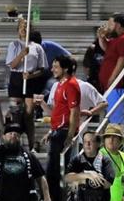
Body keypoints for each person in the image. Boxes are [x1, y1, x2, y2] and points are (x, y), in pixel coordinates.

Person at [0, 122, 51, 201]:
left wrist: (47, 197)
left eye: (17, 134)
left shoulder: (29, 156)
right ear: (3, 137)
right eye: (10, 133)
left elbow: (41, 177)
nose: (14, 135)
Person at [43, 55, 81, 201]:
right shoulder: (60, 84)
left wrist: (70, 135)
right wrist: (51, 131)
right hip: (57, 131)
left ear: (65, 69)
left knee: (54, 172)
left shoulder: (71, 85)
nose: (53, 69)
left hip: (63, 132)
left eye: (56, 67)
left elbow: (74, 111)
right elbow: (59, 112)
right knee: (52, 171)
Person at [5, 18, 47, 145]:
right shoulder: (14, 45)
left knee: (29, 115)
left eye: (26, 27)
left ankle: (31, 144)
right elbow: (12, 65)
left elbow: (42, 68)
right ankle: (14, 142)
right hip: (16, 79)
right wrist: (22, 54)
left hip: (30, 80)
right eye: (21, 27)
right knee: (15, 113)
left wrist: (31, 75)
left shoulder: (37, 47)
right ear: (18, 30)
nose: (24, 29)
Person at [97, 13, 124, 124]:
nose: (108, 27)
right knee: (115, 119)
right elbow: (107, 49)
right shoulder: (118, 39)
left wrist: (112, 78)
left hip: (119, 87)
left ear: (118, 25)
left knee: (118, 121)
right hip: (113, 88)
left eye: (110, 24)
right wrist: (101, 37)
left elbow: (122, 60)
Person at [42, 66, 108, 131]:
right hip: (58, 129)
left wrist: (90, 112)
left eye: (57, 67)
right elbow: (53, 113)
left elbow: (104, 103)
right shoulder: (55, 86)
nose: (52, 70)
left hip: (77, 130)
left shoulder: (85, 86)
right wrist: (41, 102)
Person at [65, 131, 115, 201]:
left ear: (98, 144)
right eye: (85, 141)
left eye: (91, 141)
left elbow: (107, 184)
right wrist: (87, 175)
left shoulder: (105, 160)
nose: (87, 144)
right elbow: (67, 178)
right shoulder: (77, 160)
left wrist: (79, 180)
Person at [100, 124, 124, 201]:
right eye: (108, 136)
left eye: (114, 137)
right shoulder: (98, 156)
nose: (111, 139)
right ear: (104, 140)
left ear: (120, 140)